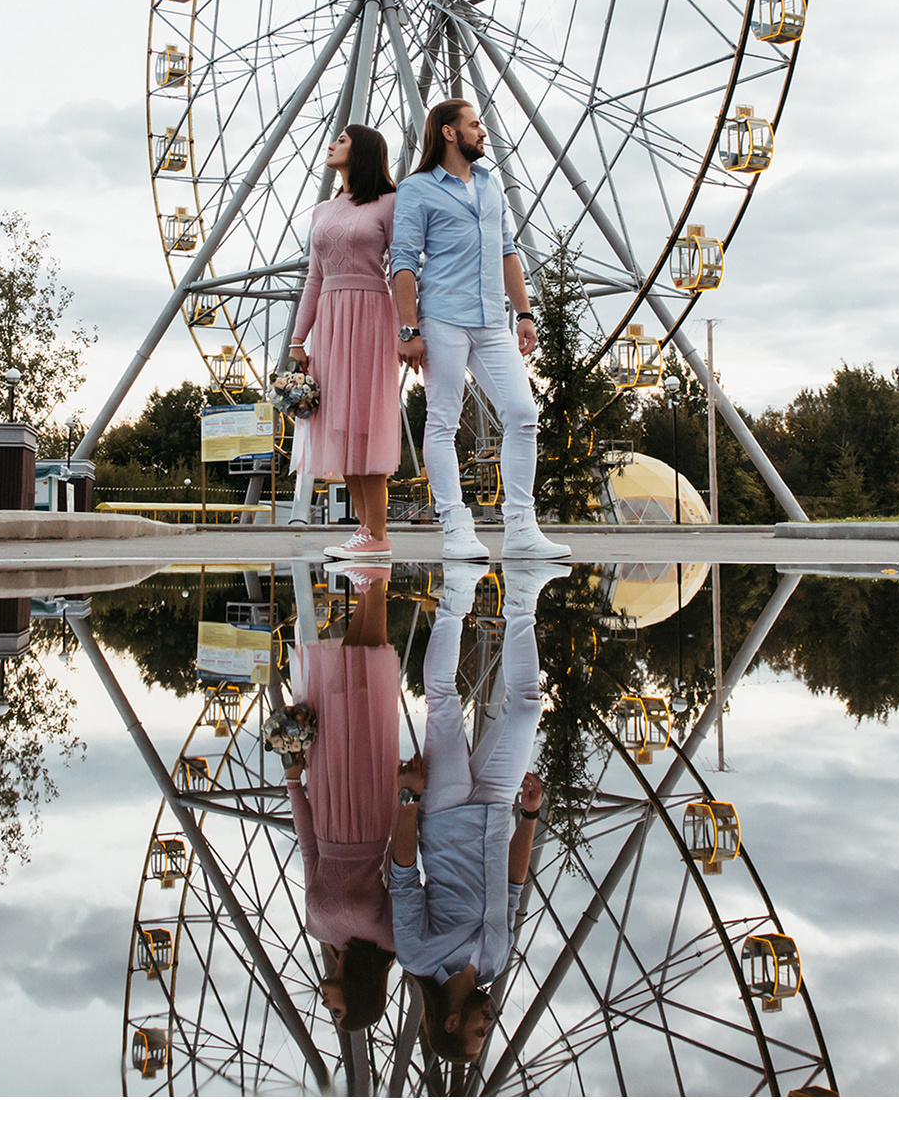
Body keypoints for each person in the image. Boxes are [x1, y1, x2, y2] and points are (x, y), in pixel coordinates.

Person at [389, 557, 568, 1070]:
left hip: (443, 814)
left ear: (448, 1023)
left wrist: (409, 799)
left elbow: (403, 877)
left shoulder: (417, 956)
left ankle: (456, 594)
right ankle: (522, 598)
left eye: (476, 1033)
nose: (488, 1026)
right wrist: (529, 817)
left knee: (442, 700)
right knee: (527, 707)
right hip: (493, 816)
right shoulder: (495, 960)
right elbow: (512, 887)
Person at [389, 98, 569, 562]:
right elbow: (404, 262)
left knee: (523, 413)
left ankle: (521, 527)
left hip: (492, 320)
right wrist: (407, 328)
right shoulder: (417, 189)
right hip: (442, 316)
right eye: (474, 125)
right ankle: (454, 525)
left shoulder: (492, 185)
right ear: (449, 133)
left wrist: (525, 313)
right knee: (443, 421)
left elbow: (508, 251)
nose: (482, 132)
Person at [283, 559, 399, 1035]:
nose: (326, 1005)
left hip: (329, 806)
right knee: (363, 685)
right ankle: (375, 576)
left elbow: (308, 851)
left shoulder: (319, 930)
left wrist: (294, 782)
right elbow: (408, 874)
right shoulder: (389, 941)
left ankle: (375, 576)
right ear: (358, 997)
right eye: (337, 1011)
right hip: (371, 817)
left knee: (338, 688)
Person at [288, 123, 402, 559]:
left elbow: (404, 267)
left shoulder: (391, 204)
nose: (332, 144)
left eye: (343, 140)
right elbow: (314, 278)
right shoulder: (322, 211)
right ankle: (366, 530)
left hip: (372, 315)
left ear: (364, 152)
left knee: (365, 424)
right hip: (331, 321)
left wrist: (408, 329)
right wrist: (299, 338)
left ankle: (377, 534)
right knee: (339, 424)